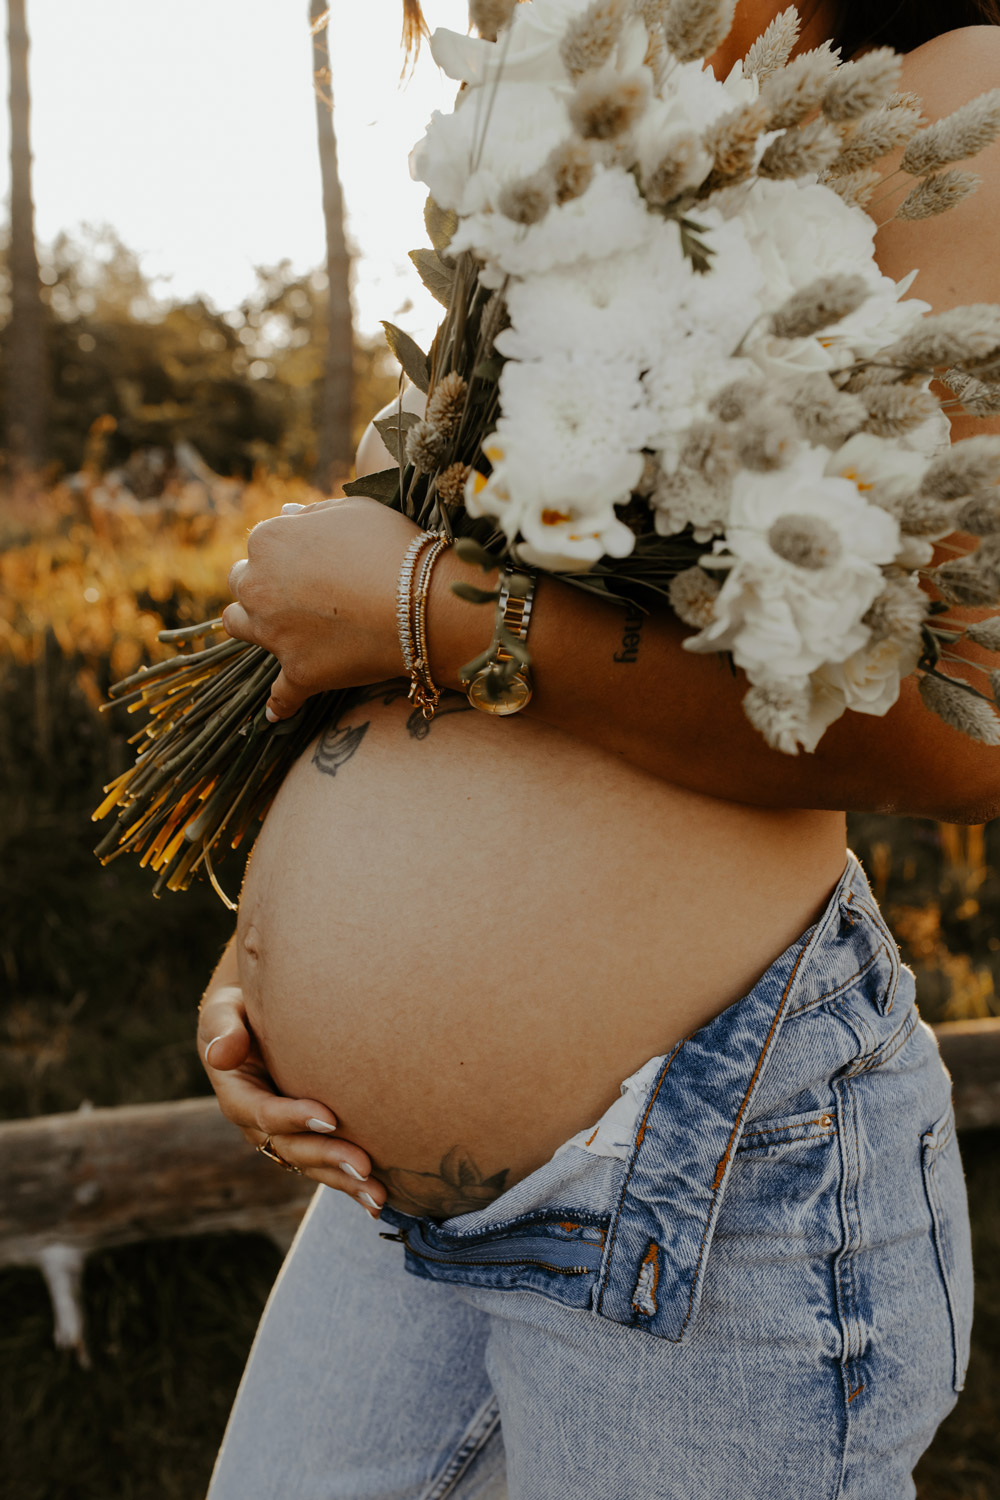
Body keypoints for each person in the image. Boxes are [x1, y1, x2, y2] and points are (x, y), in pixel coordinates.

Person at [202, 3, 1000, 1495]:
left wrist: (420, 606)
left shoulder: (960, 107)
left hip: (704, 1183)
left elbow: (973, 730)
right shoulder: (600, 124)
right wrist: (266, 965)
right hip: (390, 1212)